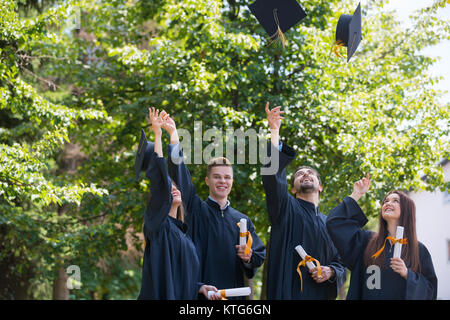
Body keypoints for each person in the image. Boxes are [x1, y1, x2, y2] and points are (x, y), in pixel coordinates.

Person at [160, 110, 266, 299]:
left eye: (227, 177)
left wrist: (248, 256)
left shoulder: (242, 220)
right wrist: (174, 135)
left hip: (234, 297)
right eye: (217, 177)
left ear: (232, 182)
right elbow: (181, 175)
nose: (222, 181)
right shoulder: (196, 209)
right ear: (208, 181)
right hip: (201, 294)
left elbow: (259, 255)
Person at [262, 102, 346, 300]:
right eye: (299, 174)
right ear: (292, 188)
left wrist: (331, 272)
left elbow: (341, 263)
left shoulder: (331, 224)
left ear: (320, 186)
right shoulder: (285, 208)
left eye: (311, 173)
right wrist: (274, 133)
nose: (305, 174)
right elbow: (272, 177)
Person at [137, 108, 218, 300]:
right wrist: (158, 134)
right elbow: (159, 180)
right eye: (168, 187)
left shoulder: (184, 235)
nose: (174, 188)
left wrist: (199, 287)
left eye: (175, 186)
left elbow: (181, 277)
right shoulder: (158, 225)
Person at [326, 173, 438, 299]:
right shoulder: (366, 241)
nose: (388, 203)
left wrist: (408, 274)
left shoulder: (418, 250)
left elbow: (431, 291)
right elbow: (334, 223)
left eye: (395, 201)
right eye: (386, 201)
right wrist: (356, 194)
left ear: (406, 210)